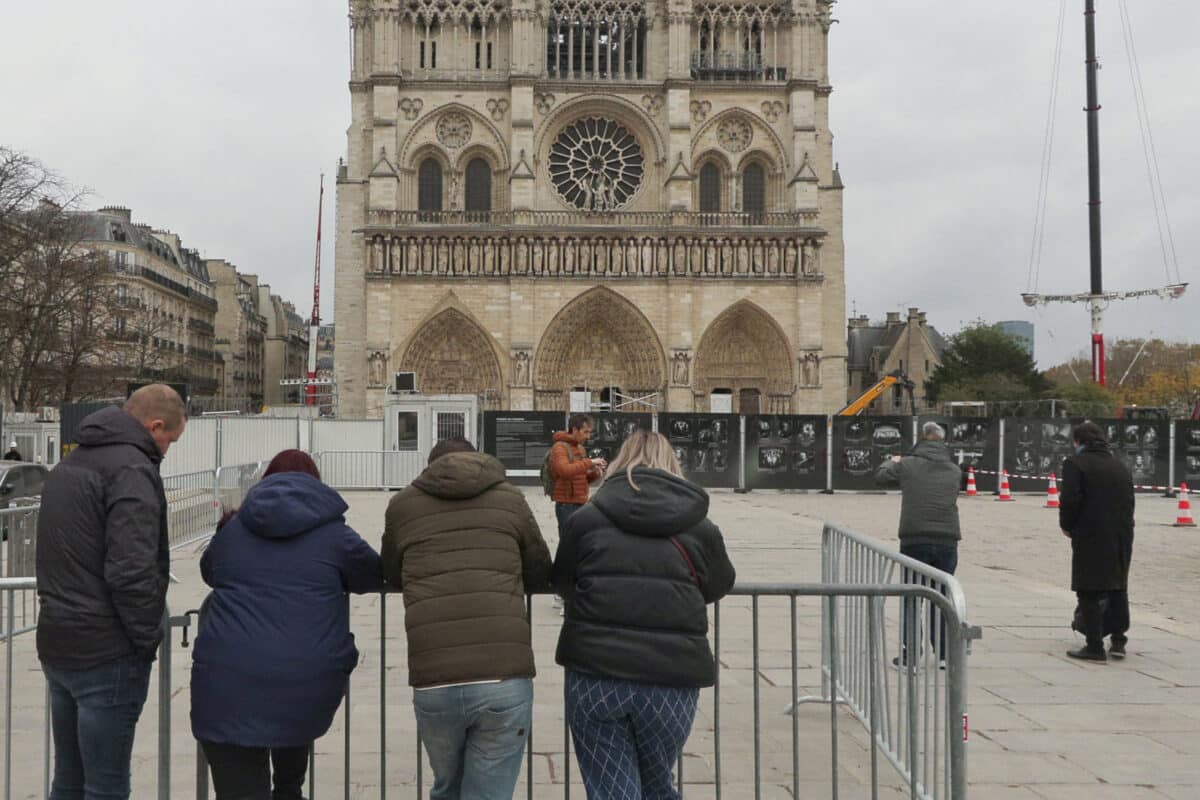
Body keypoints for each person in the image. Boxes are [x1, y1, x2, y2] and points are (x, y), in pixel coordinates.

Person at [191, 449, 385, 799]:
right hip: (305, 677)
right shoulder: (334, 535)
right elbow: (373, 574)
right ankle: (288, 789)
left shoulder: (233, 530)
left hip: (227, 680)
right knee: (293, 723)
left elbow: (209, 572)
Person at [553, 430, 735, 800]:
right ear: (673, 465)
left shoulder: (587, 520)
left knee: (612, 791)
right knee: (656, 787)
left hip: (596, 674)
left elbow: (562, 581)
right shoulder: (701, 527)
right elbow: (718, 585)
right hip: (671, 677)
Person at [35, 384, 187, 800]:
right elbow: (131, 570)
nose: (167, 450)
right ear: (155, 426)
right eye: (170, 440)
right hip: (107, 650)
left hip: (58, 642)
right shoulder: (132, 470)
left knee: (68, 779)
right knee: (105, 786)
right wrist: (144, 639)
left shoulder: (71, 462)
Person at [382, 437, 551, 800]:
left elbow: (392, 574)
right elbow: (540, 571)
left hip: (434, 677)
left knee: (446, 788)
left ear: (428, 466)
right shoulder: (510, 497)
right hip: (502, 675)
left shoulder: (402, 505)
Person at [875, 421, 961, 667]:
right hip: (947, 539)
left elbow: (881, 477)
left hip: (915, 538)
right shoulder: (954, 470)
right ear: (942, 441)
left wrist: (894, 460)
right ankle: (944, 653)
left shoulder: (908, 465)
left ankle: (910, 653)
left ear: (922, 438)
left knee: (912, 596)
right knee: (942, 596)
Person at [1059, 421, 1135, 662]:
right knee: (1117, 585)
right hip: (1121, 534)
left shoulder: (1075, 464)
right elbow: (1130, 501)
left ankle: (1094, 645)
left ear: (1078, 442)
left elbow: (1070, 499)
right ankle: (1119, 640)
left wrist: (1067, 526)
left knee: (1088, 588)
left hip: (1090, 534)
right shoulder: (1120, 466)